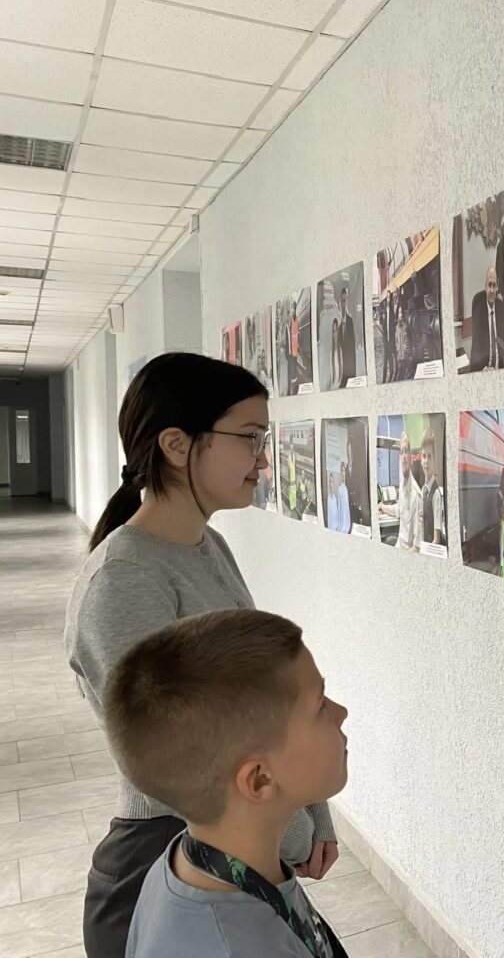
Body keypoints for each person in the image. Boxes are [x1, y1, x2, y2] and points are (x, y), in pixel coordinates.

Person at [64, 354, 337, 958]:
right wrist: (295, 832)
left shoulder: (207, 545)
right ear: (176, 445)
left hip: (239, 848)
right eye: (250, 438)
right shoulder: (123, 581)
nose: (263, 460)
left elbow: (267, 696)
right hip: (166, 863)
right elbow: (183, 757)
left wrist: (313, 811)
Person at [104, 610, 349, 958]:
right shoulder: (236, 946)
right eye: (320, 705)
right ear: (260, 779)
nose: (341, 712)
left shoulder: (194, 860)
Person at [378, 432, 423, 550]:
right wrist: (382, 507)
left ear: (411, 457)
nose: (403, 457)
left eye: (406, 452)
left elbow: (417, 547)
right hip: (399, 546)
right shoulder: (403, 486)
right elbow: (398, 510)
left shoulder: (416, 496)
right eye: (401, 452)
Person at [469, 266, 504, 371]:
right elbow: (476, 346)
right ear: (485, 287)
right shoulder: (478, 306)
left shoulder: (501, 307)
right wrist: (483, 368)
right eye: (489, 285)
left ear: (497, 288)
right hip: (484, 369)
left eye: (494, 285)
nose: (491, 290)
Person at [420, 430, 445, 548]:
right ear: (420, 460)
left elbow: (436, 540)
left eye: (429, 456)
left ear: (434, 460)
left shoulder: (436, 494)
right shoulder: (422, 490)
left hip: (431, 549)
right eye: (424, 456)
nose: (426, 461)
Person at [338, 285, 357, 386]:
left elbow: (353, 350)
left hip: (349, 372)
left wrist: (353, 376)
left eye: (345, 301)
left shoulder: (350, 321)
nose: (343, 304)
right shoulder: (336, 324)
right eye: (342, 301)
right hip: (339, 374)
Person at [328, 317, 343, 390]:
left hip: (340, 386)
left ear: (338, 331)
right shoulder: (331, 352)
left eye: (336, 330)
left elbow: (342, 370)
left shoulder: (340, 350)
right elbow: (331, 375)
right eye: (333, 331)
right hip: (333, 387)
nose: (335, 334)